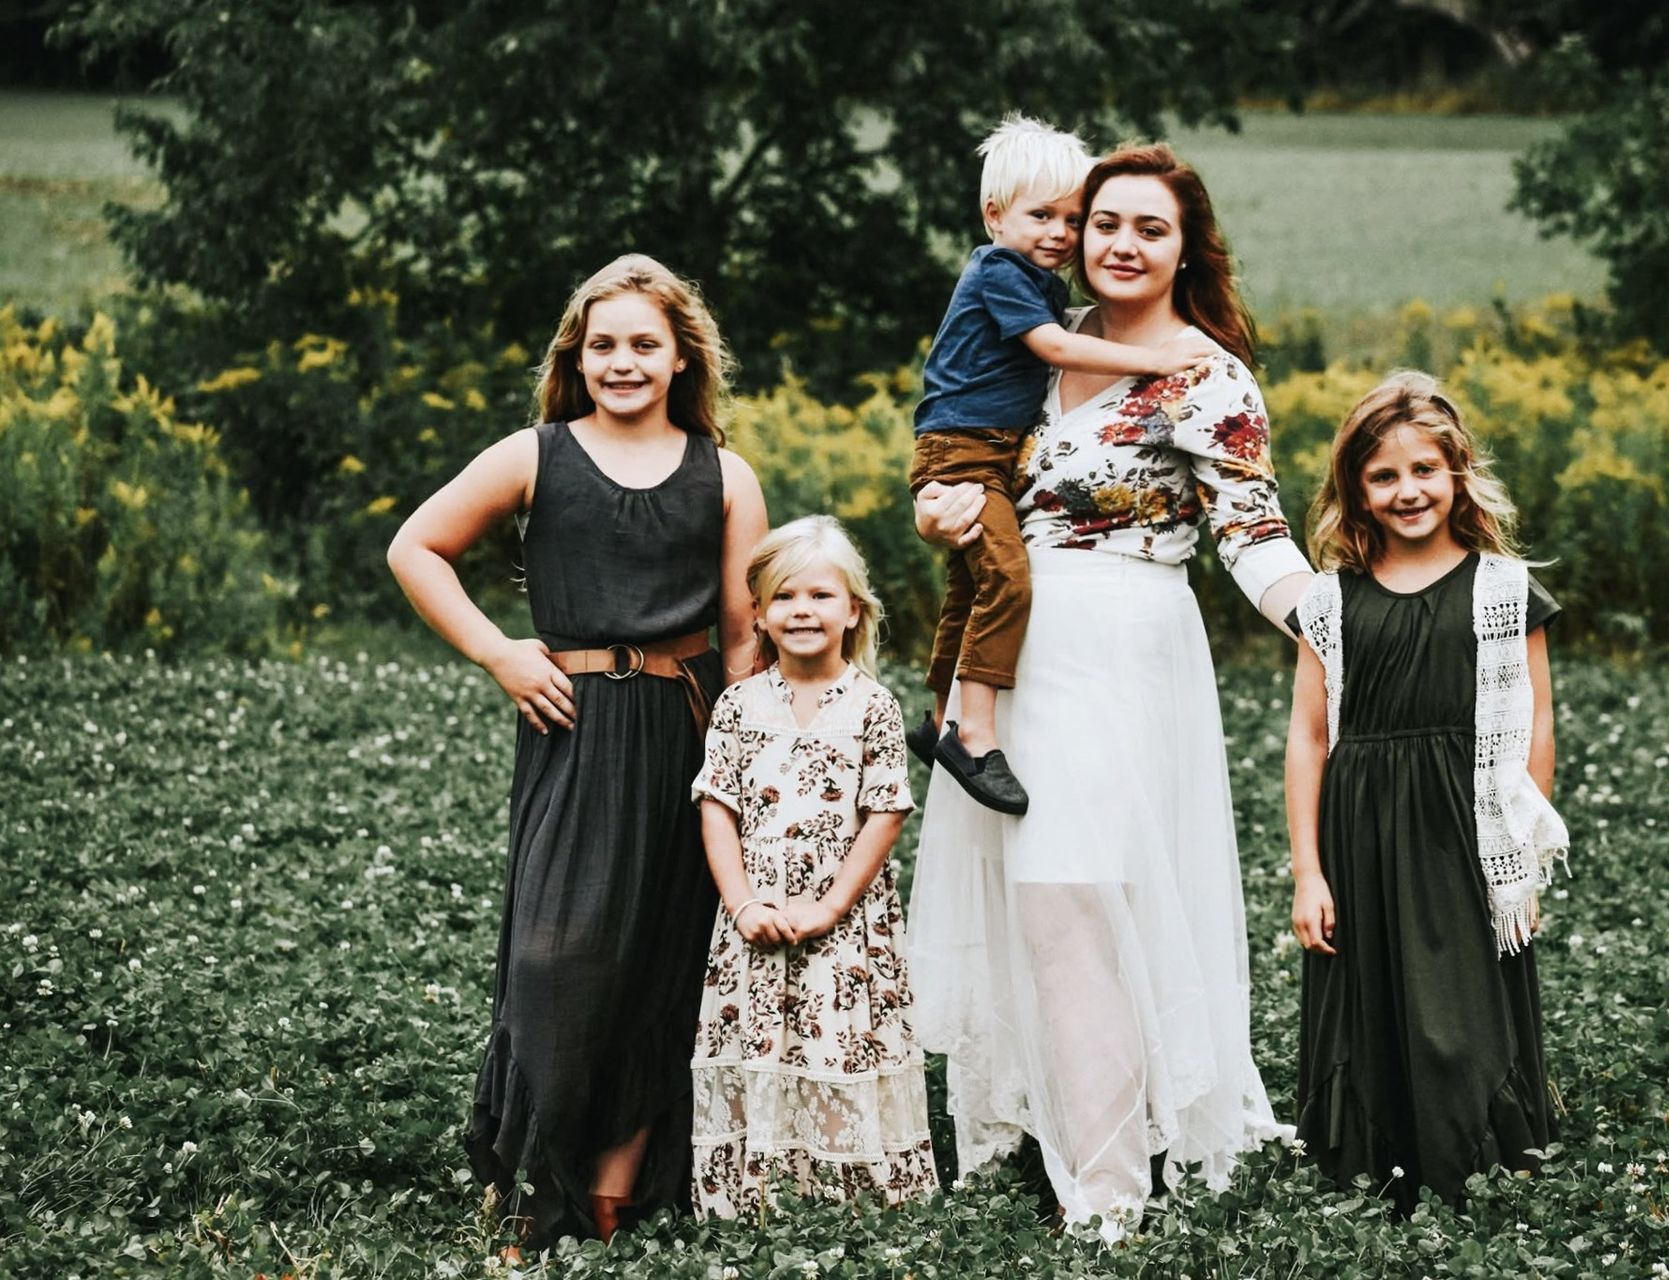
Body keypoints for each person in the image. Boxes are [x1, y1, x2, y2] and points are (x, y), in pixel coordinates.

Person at [905, 143, 1312, 1238]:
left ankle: (1110, 1190)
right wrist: (936, 511)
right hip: (1017, 653)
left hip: (1127, 645)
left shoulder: (1207, 371)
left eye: (1150, 228)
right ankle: (1054, 1138)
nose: (1122, 244)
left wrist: (1325, 619)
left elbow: (1253, 531)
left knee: (1081, 887)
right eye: (1106, 224)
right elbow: (970, 478)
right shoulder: (1042, 346)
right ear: (1075, 236)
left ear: (1186, 249)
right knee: (1035, 904)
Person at [386, 254, 768, 1250]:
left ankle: (604, 1198)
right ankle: (533, 1181)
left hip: (689, 737)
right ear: (577, 355)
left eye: (646, 342)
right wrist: (500, 652)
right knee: (554, 956)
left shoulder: (724, 475)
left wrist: (748, 767)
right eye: (605, 344)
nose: (625, 360)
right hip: (571, 725)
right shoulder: (536, 454)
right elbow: (414, 547)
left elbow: (742, 635)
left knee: (661, 962)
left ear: (683, 356)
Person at [1284, 370, 1567, 1215]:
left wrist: (1517, 847)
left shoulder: (1503, 591)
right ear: (1356, 491)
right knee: (1369, 998)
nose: (1407, 491)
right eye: (1383, 476)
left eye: (1424, 471)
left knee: (1461, 1002)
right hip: (1361, 826)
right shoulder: (1331, 602)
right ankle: (1377, 1164)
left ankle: (1477, 1156)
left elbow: (1537, 724)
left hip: (1463, 821)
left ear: (1456, 475)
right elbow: (1308, 736)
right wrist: (1308, 870)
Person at [908, 114, 1216, 815]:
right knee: (1007, 581)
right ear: (994, 215)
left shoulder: (1038, 281)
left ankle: (937, 716)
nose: (1059, 232)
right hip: (967, 448)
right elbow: (1052, 348)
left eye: (1073, 219)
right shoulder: (1002, 269)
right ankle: (975, 738)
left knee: (970, 585)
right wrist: (1155, 359)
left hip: (979, 448)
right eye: (1041, 214)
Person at [688, 515, 937, 1217]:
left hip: (844, 923)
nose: (803, 610)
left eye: (821, 596)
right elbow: (717, 807)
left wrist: (828, 907)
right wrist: (742, 904)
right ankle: (756, 1200)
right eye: (785, 597)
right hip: (755, 916)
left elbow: (886, 811)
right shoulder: (737, 705)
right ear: (759, 615)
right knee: (761, 1045)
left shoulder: (872, 706)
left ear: (853, 610)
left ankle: (841, 1205)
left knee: (834, 1044)